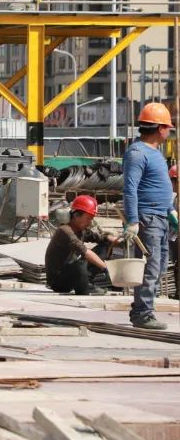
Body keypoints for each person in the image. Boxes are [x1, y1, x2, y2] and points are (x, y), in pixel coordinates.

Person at [121, 103, 175, 330]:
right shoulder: (137, 153)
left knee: (159, 267)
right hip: (148, 218)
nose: (170, 131)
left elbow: (158, 185)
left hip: (160, 217)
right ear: (160, 128)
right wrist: (133, 220)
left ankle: (141, 310)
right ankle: (143, 314)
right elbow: (130, 188)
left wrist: (170, 209)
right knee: (150, 269)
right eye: (168, 127)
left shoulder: (156, 153)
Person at [45, 195, 118, 295]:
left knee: (105, 245)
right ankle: (85, 288)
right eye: (88, 219)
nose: (90, 222)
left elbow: (101, 238)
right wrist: (106, 268)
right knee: (80, 263)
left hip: (71, 272)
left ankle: (88, 281)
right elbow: (85, 252)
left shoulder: (81, 230)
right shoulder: (65, 231)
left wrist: (117, 240)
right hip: (58, 281)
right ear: (76, 215)